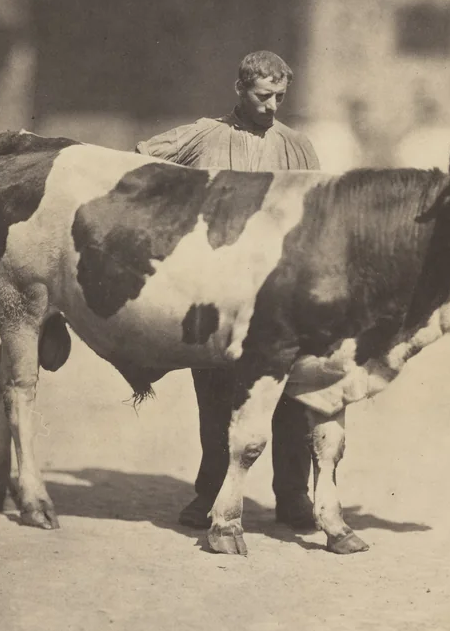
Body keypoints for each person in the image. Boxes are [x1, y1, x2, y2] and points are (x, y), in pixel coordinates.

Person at [135, 50, 320, 531]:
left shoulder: (298, 147)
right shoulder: (203, 135)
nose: (272, 105)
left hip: (279, 294)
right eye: (263, 96)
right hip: (216, 289)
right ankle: (210, 494)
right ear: (239, 90)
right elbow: (139, 162)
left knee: (291, 395)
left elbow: (319, 213)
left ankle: (294, 496)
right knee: (216, 396)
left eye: (280, 96)